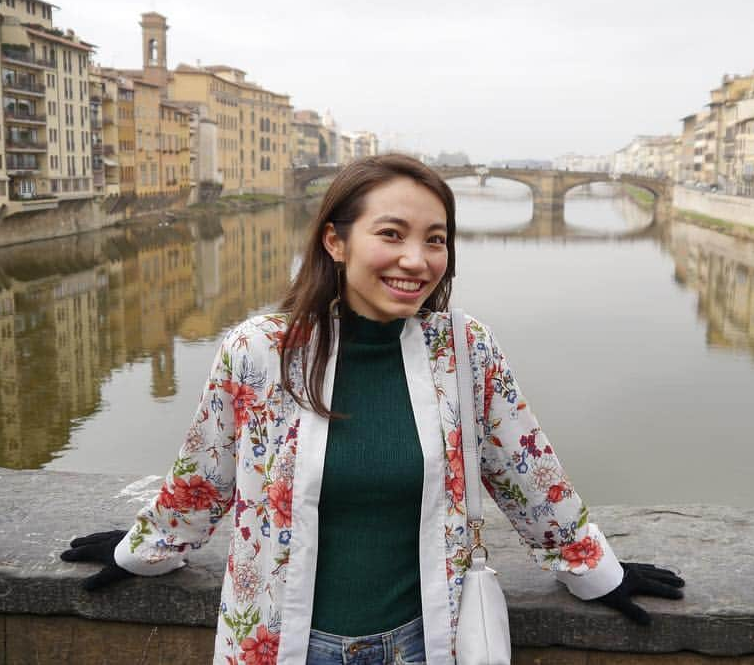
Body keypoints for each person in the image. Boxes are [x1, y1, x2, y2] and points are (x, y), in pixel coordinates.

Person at [62, 154, 684, 665]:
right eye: (392, 234)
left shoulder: (464, 349)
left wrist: (595, 569)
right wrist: (145, 549)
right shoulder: (261, 350)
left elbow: (528, 472)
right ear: (335, 240)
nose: (418, 260)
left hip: (425, 644)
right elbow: (205, 473)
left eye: (435, 240)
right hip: (282, 644)